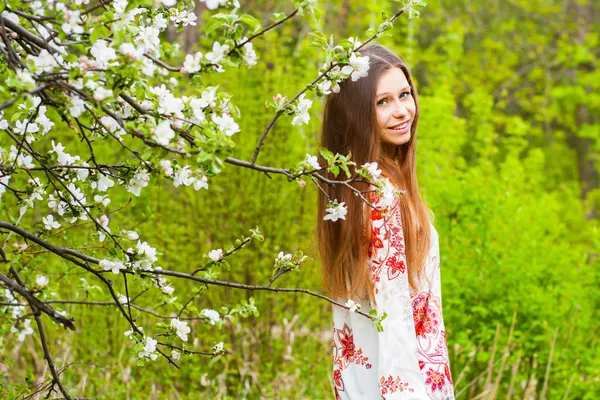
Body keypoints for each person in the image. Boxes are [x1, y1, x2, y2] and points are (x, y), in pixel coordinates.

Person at [316, 44, 455, 399]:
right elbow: (394, 319)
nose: (402, 111)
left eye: (405, 95)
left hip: (362, 383)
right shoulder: (380, 199)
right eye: (383, 102)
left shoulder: (352, 191)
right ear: (355, 116)